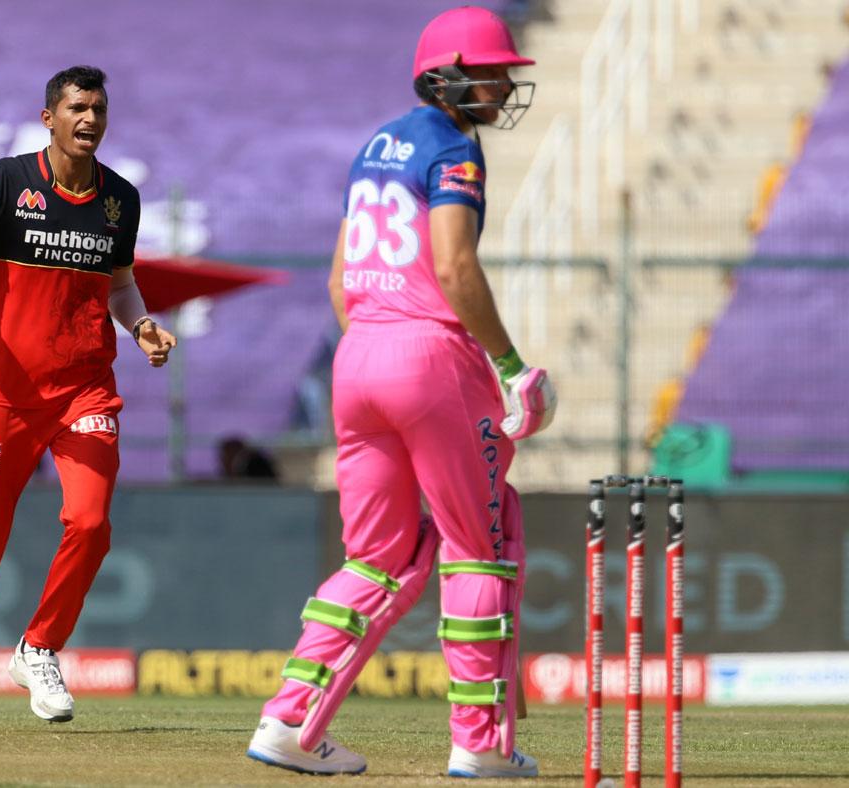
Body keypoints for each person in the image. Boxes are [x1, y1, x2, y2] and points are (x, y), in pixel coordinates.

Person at [246, 8, 555, 778]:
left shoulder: (375, 146)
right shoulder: (454, 148)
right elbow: (454, 268)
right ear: (446, 73)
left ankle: (288, 724)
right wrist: (511, 365)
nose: (503, 81)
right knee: (480, 549)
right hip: (432, 359)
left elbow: (341, 281)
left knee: (376, 557)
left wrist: (377, 344)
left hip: (359, 358)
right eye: (490, 70)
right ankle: (481, 746)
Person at [0, 65, 177, 732]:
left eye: (99, 109)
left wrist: (140, 325)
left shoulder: (121, 200)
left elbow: (120, 283)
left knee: (89, 524)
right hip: (5, 395)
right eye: (77, 108)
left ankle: (39, 647)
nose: (90, 120)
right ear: (47, 117)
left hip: (85, 389)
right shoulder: (2, 183)